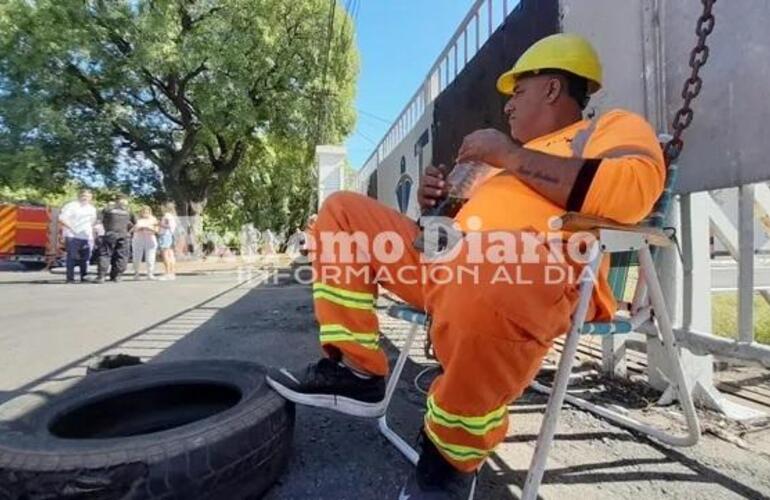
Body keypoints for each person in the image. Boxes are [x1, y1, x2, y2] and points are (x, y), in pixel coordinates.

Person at [268, 33, 667, 498]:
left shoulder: (606, 129)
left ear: (553, 89)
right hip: (451, 263)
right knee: (341, 212)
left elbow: (633, 192)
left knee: (486, 269)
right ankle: (357, 370)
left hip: (531, 271)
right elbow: (440, 230)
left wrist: (510, 156)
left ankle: (450, 455)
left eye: (518, 92)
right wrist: (434, 206)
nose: (510, 107)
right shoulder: (499, 169)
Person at [57, 189, 97, 283]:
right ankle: (70, 278)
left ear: (91, 198)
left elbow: (92, 221)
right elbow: (62, 218)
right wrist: (72, 228)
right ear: (79, 196)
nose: (85, 198)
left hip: (86, 236)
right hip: (72, 235)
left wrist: (91, 233)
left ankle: (84, 277)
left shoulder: (92, 208)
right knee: (72, 257)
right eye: (83, 196)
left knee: (85, 258)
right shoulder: (71, 206)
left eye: (87, 196)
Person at [96, 195, 135, 283]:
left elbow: (98, 221)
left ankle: (102, 276)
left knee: (105, 255)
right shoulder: (128, 211)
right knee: (121, 256)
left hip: (110, 233)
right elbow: (135, 223)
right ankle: (117, 276)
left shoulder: (107, 209)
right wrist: (129, 232)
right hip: (123, 235)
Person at [131, 205, 159, 280]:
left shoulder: (153, 219)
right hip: (138, 239)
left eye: (147, 212)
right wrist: (137, 229)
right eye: (143, 212)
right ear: (141, 212)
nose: (145, 213)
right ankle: (136, 273)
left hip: (150, 239)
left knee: (150, 257)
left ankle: (150, 274)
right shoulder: (137, 219)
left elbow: (157, 230)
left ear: (150, 212)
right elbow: (131, 230)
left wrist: (149, 228)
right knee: (137, 257)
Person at [158, 202, 178, 280]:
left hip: (165, 235)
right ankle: (172, 273)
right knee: (170, 254)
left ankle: (167, 273)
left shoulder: (167, 216)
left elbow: (168, 226)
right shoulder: (172, 216)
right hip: (169, 235)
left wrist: (159, 224)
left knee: (165, 254)